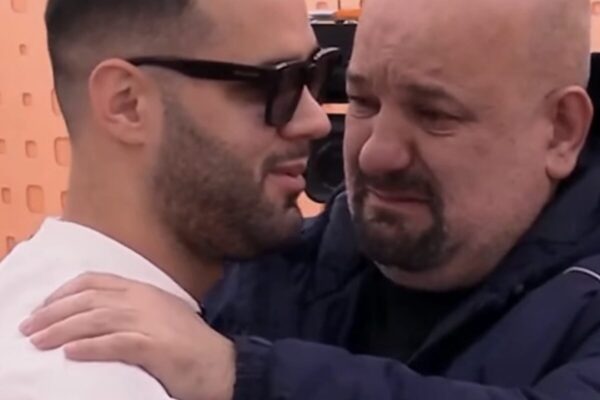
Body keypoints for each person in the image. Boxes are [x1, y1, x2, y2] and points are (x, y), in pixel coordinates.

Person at [18, 0, 600, 399]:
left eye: (434, 113)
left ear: (561, 131)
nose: (374, 153)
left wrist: (245, 376)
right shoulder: (271, 267)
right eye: (361, 99)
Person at [0, 0, 334, 398]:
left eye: (316, 74)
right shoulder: (83, 380)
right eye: (276, 84)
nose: (316, 121)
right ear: (127, 104)